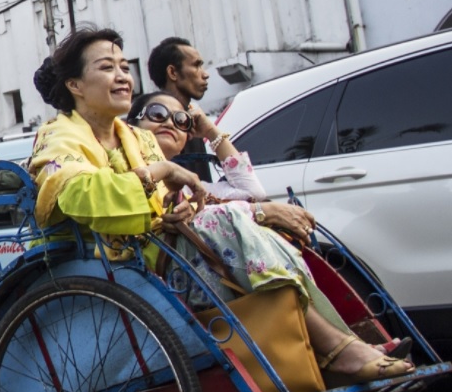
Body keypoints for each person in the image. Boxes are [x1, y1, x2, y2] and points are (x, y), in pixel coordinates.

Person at [30, 29, 413, 387]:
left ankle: (334, 345)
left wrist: (174, 211)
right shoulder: (59, 136)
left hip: (160, 251)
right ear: (75, 85)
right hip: (108, 265)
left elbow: (165, 204)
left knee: (249, 226)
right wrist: (158, 172)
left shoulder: (134, 138)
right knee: (230, 220)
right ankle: (336, 348)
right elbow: (77, 194)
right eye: (106, 68)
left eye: (125, 68)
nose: (122, 77)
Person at [129, 89, 413, 360]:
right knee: (235, 222)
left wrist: (210, 131)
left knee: (279, 239)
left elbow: (252, 190)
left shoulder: (196, 186)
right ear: (133, 125)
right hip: (176, 282)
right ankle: (341, 349)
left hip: (215, 273)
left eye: (181, 120)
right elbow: (249, 207)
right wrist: (261, 212)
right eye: (156, 113)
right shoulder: (133, 177)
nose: (169, 122)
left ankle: (344, 346)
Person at [148, 36, 213, 180]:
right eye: (196, 65)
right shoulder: (156, 126)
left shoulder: (193, 120)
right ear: (172, 73)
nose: (205, 74)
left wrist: (212, 132)